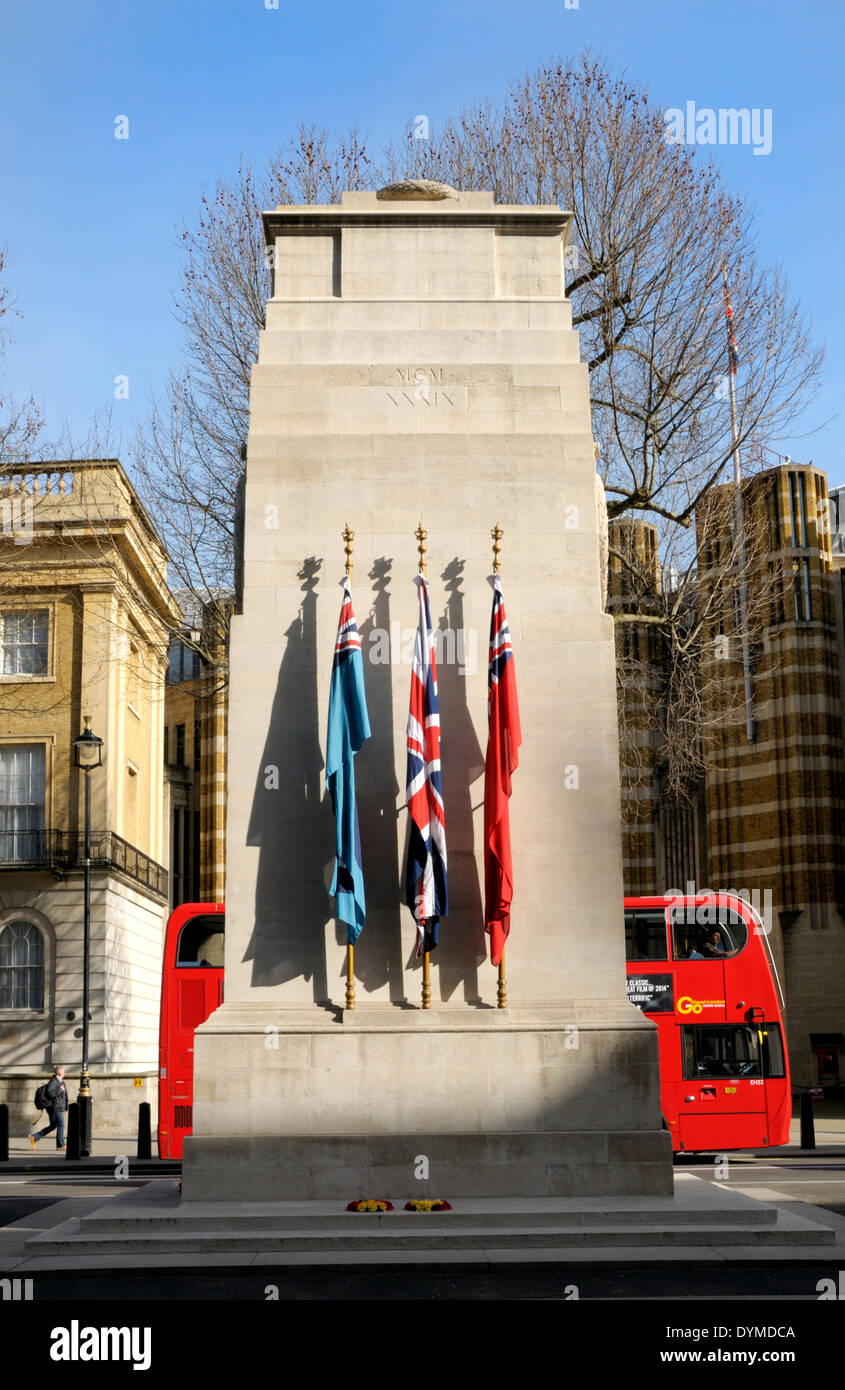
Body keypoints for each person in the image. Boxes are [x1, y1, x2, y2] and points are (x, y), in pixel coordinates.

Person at [30, 1065, 68, 1150]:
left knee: (53, 1126)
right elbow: (50, 1093)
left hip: (59, 1107)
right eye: (64, 1071)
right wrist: (60, 1090)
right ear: (59, 1073)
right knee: (61, 1124)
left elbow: (64, 1097)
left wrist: (65, 1108)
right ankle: (61, 1145)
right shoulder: (53, 1081)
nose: (65, 1073)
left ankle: (35, 1137)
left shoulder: (62, 1082)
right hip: (54, 1107)